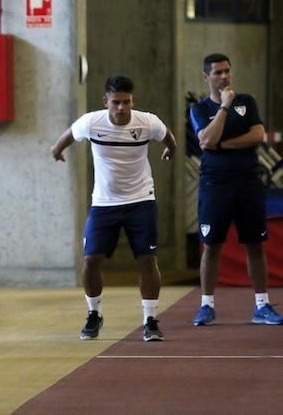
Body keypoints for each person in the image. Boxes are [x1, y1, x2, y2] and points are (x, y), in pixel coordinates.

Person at [51, 76, 176, 342]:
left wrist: (170, 151)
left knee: (147, 260)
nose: (121, 108)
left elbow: (168, 138)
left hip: (141, 200)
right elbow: (68, 136)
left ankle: (150, 320)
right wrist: (57, 150)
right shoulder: (92, 122)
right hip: (104, 203)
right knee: (90, 260)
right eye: (115, 102)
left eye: (126, 102)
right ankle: (94, 314)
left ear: (133, 101)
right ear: (105, 101)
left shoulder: (147, 122)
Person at [190, 53, 283, 326]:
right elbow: (206, 139)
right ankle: (207, 305)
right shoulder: (199, 109)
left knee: (255, 244)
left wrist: (223, 144)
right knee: (212, 245)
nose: (224, 77)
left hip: (248, 182)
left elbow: (257, 135)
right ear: (206, 77)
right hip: (215, 184)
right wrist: (224, 108)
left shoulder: (247, 102)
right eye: (217, 72)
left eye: (227, 71)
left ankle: (262, 305)